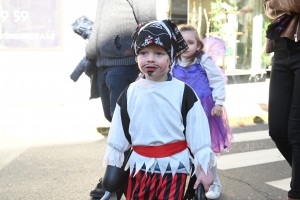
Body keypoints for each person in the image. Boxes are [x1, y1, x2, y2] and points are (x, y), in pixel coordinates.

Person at [102, 19, 216, 200]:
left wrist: (204, 170)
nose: (150, 59)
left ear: (171, 57)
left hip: (174, 170)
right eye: (143, 52)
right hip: (138, 169)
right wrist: (113, 170)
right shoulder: (130, 92)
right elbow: (118, 134)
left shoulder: (184, 92)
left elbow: (199, 137)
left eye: (159, 53)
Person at [85, 0, 157, 199]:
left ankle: (115, 181)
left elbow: (149, 24)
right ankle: (123, 176)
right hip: (102, 62)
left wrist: (147, 64)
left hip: (124, 61)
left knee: (124, 123)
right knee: (112, 118)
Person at [172, 24, 233, 200]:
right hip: (181, 110)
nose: (185, 46)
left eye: (190, 42)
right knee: (185, 148)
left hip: (205, 109)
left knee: (206, 148)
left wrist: (219, 103)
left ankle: (213, 181)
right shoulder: (173, 61)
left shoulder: (203, 60)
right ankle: (189, 182)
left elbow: (217, 81)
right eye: (181, 43)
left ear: (198, 45)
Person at [264, 1, 300, 200]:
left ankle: (296, 193)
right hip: (282, 45)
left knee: (297, 133)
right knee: (277, 130)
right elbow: (270, 7)